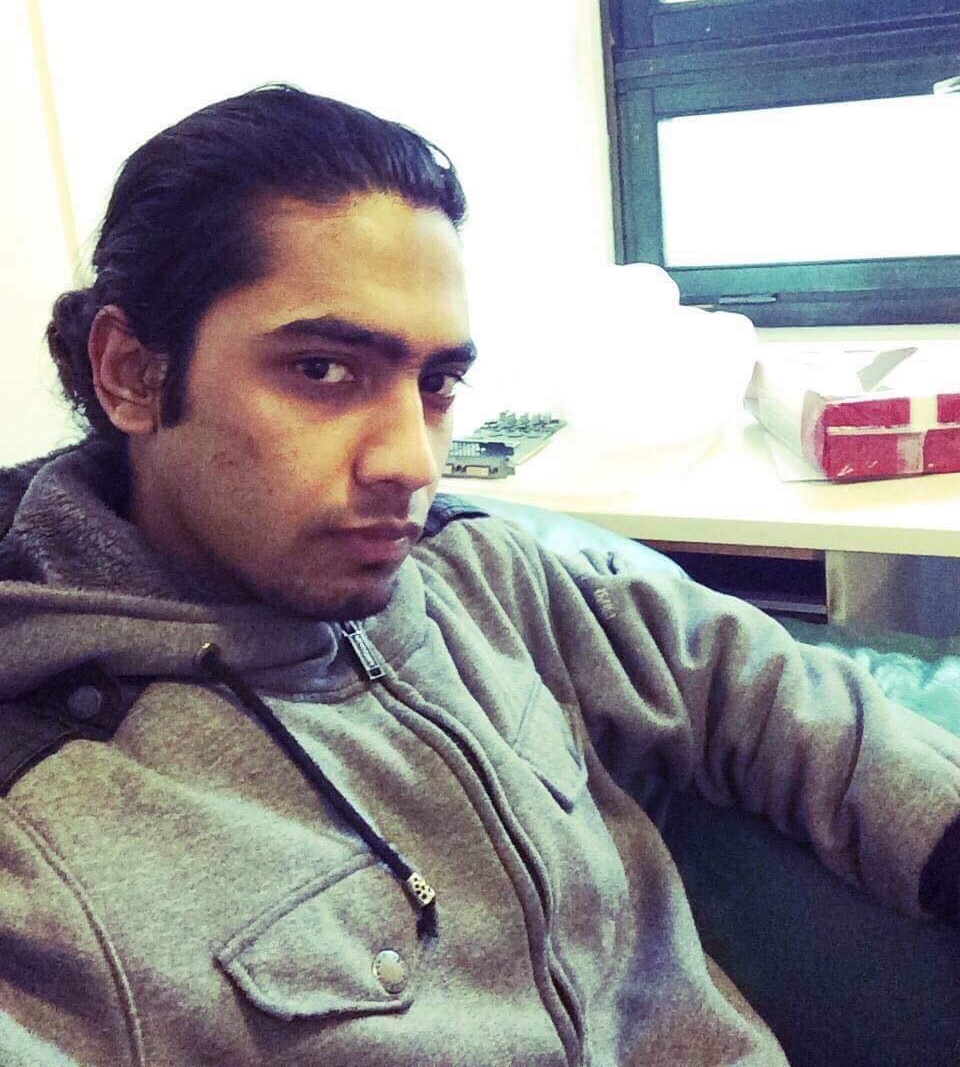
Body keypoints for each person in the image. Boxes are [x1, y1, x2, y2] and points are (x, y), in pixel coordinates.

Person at [0, 85, 957, 1067]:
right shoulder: (41, 824)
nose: (413, 462)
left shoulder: (475, 569)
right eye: (323, 370)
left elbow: (743, 678)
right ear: (131, 373)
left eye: (435, 384)